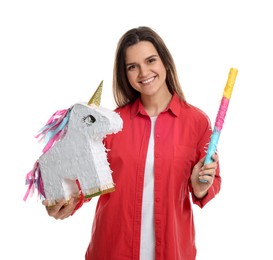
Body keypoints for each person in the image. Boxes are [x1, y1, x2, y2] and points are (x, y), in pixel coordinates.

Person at [43, 26, 221, 260]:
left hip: (173, 251)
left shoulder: (197, 122)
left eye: (150, 60)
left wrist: (201, 186)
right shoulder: (111, 123)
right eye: (132, 66)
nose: (143, 72)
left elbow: (211, 181)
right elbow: (86, 177)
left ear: (165, 62)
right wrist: (67, 200)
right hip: (112, 250)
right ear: (124, 74)